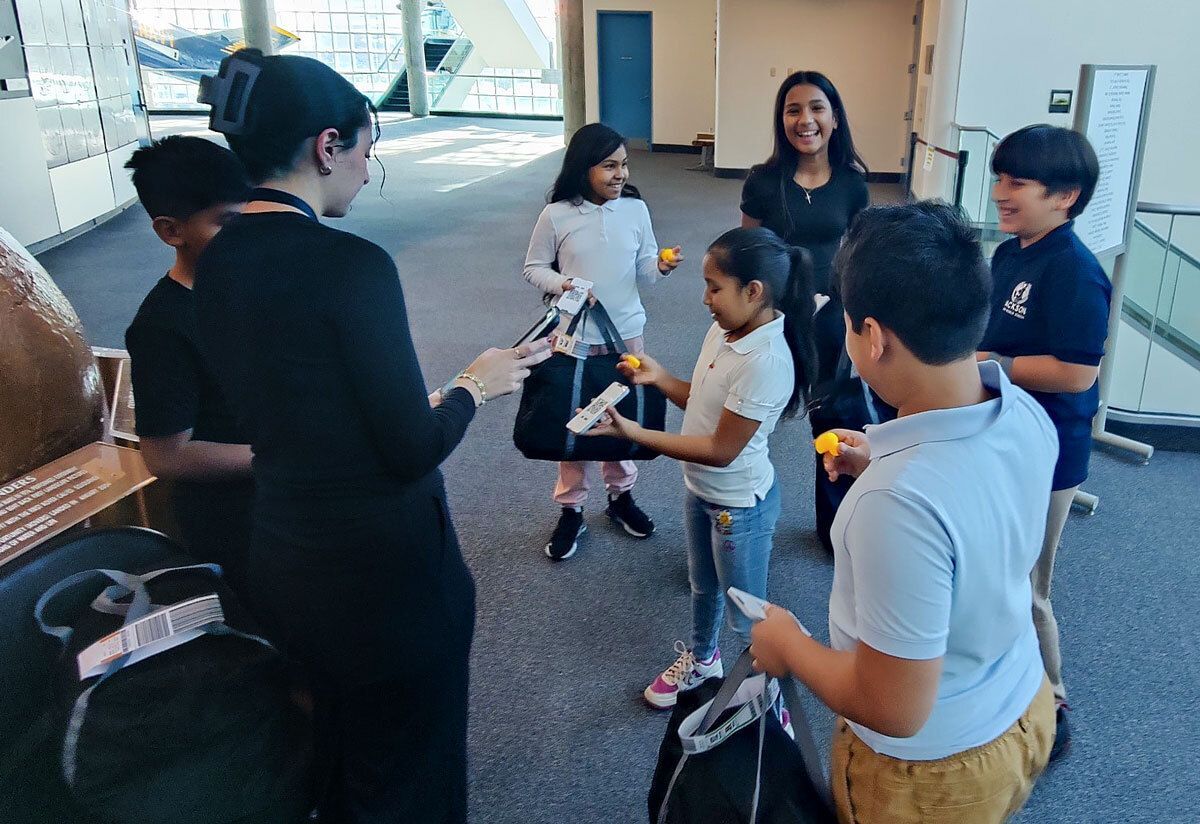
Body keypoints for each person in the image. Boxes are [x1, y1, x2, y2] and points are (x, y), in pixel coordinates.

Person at [192, 49, 549, 824]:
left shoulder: (212, 263)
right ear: (327, 146)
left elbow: (291, 403)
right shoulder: (349, 266)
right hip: (384, 580)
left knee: (334, 757)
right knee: (410, 773)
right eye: (365, 146)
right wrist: (472, 387)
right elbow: (410, 448)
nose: (366, 164)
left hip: (283, 554)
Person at [749, 202, 1057, 823]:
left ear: (875, 337)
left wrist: (789, 646)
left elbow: (893, 708)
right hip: (1024, 700)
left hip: (928, 773)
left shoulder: (896, 504)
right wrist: (888, 468)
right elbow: (974, 510)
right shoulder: (1021, 409)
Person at [585, 227, 816, 709]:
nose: (705, 299)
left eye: (715, 287)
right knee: (703, 585)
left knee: (747, 612)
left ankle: (770, 690)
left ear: (754, 292)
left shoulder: (768, 360)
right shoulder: (727, 329)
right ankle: (704, 659)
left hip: (739, 508)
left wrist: (633, 434)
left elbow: (720, 449)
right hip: (702, 491)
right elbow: (701, 399)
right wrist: (660, 377)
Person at [978, 124, 1109, 760]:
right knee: (992, 572)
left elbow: (1077, 373)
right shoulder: (1012, 252)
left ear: (1065, 196)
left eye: (1017, 183)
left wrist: (988, 364)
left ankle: (1054, 697)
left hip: (1050, 451)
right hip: (1003, 434)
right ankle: (1001, 685)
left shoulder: (1076, 271)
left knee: (1028, 586)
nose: (1001, 192)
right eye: (1000, 177)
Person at [739, 70, 891, 555]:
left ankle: (834, 526)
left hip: (831, 319)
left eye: (816, 108)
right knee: (749, 416)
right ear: (782, 119)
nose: (805, 120)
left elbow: (859, 253)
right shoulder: (764, 181)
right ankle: (734, 523)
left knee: (833, 421)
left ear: (834, 116)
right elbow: (749, 252)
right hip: (773, 319)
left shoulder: (851, 184)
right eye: (793, 110)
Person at [523, 122, 681, 561]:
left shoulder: (635, 210)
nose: (621, 175)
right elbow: (534, 268)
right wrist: (566, 283)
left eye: (624, 165)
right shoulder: (556, 214)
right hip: (571, 334)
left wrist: (662, 266)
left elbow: (645, 269)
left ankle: (620, 496)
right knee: (573, 418)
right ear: (583, 167)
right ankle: (571, 508)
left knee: (621, 414)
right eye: (609, 166)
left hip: (626, 335)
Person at [123, 135, 254, 588]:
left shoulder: (252, 286)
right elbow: (167, 455)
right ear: (171, 231)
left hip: (286, 494)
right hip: (236, 520)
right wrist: (284, 455)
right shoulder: (161, 326)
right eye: (226, 223)